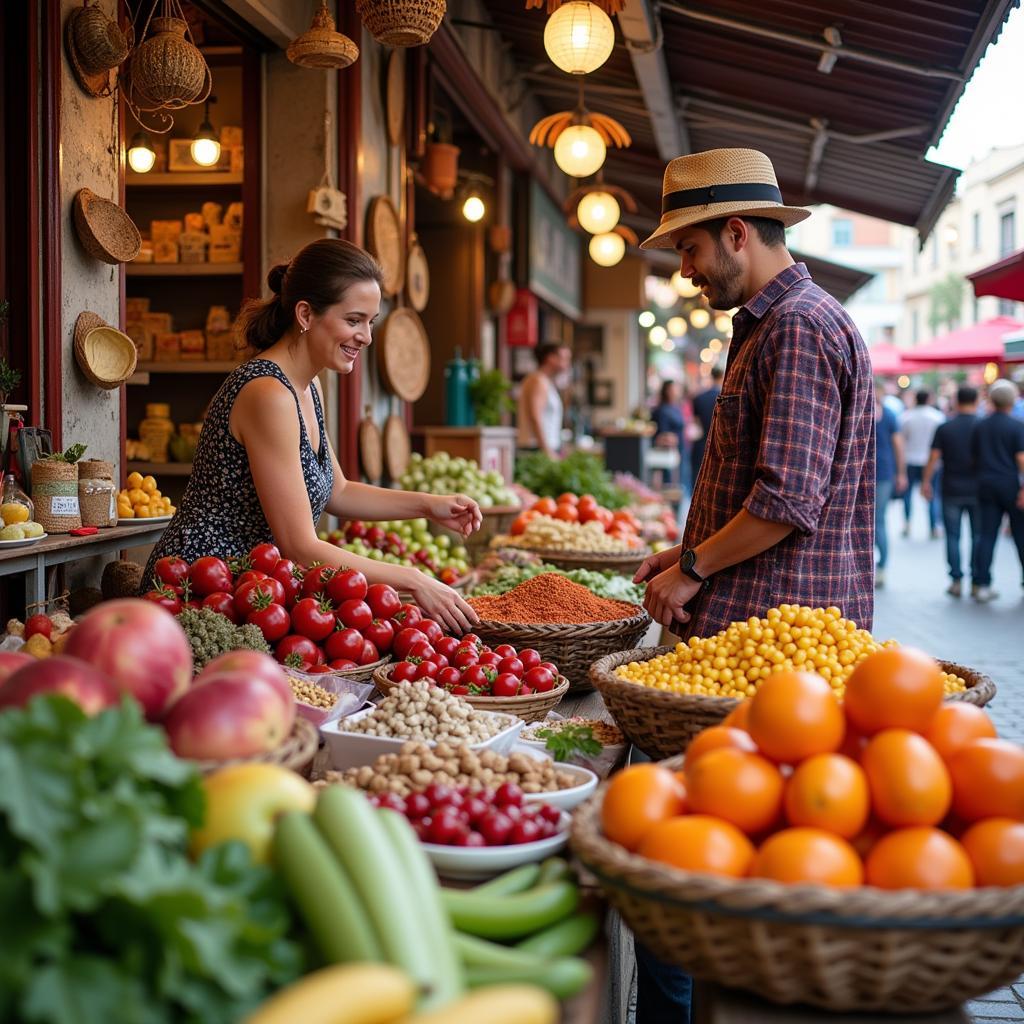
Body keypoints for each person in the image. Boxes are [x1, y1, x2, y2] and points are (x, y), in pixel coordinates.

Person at [631, 148, 875, 1023]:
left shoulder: (800, 328)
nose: (685, 271)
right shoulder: (772, 327)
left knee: (693, 878)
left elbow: (785, 502)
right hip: (754, 642)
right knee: (705, 873)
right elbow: (757, 492)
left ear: (737, 233)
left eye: (690, 250)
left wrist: (696, 567)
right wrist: (683, 551)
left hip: (771, 664)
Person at [143, 238, 480, 635]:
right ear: (305, 313)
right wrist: (414, 580)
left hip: (253, 592)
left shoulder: (306, 387)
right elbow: (300, 547)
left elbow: (337, 491)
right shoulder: (268, 394)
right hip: (197, 591)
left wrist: (429, 506)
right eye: (354, 320)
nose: (367, 337)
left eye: (371, 322)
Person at [922, 386, 982, 598]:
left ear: (957, 402)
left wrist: (925, 482)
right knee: (978, 536)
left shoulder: (945, 427)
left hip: (951, 488)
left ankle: (956, 580)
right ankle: (977, 581)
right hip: (978, 489)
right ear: (976, 400)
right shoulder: (981, 426)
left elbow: (933, 457)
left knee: (953, 536)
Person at [972, 379, 1024, 600]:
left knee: (986, 535)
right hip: (1011, 485)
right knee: (1021, 535)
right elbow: (1021, 459)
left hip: (985, 484)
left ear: (991, 399)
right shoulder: (1017, 426)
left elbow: (973, 456)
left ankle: (981, 584)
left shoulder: (980, 425)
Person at [874, 385, 907, 590]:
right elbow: (898, 445)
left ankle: (882, 565)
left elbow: (898, 445)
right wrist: (901, 472)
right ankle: (879, 566)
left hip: (880, 473)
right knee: (877, 520)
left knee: (877, 520)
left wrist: (901, 473)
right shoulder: (887, 414)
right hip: (878, 473)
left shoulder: (888, 415)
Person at [899, 389, 944, 539]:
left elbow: (902, 440)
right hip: (930, 461)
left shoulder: (906, 417)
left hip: (911, 459)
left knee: (907, 494)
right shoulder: (937, 417)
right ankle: (933, 526)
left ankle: (907, 523)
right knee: (932, 494)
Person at [516, 342, 571, 459]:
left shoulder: (545, 381)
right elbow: (535, 417)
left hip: (542, 448)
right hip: (536, 449)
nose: (567, 363)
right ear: (550, 358)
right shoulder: (538, 381)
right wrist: (547, 450)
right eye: (564, 358)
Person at [651, 380, 687, 488]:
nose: (676, 391)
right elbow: (662, 434)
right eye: (673, 389)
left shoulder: (676, 407)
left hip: (680, 449)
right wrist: (669, 439)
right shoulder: (663, 410)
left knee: (679, 481)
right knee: (670, 483)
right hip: (668, 451)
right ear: (667, 391)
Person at [689, 364, 723, 482]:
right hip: (720, 444)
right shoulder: (725, 398)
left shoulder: (699, 398)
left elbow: (695, 424)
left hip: (701, 442)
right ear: (722, 376)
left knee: (697, 477)